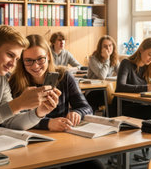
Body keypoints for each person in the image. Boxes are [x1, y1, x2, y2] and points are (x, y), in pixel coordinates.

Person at [9, 34, 103, 169]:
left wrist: (77, 113)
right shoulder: (15, 83)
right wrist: (48, 123)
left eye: (40, 59)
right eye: (28, 60)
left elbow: (85, 107)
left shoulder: (64, 76)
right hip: (31, 143)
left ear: (48, 55)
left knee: (96, 166)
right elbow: (15, 120)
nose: (35, 66)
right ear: (22, 61)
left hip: (63, 140)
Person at [116, 37, 151, 119]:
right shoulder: (126, 63)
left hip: (141, 104)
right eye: (150, 55)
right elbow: (120, 87)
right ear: (141, 50)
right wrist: (147, 88)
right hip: (125, 106)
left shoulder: (150, 67)